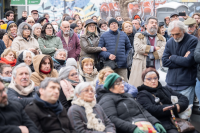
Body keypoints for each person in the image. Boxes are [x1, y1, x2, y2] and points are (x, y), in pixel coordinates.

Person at [97, 73, 166, 133]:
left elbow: (143, 111)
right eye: (118, 84)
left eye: (122, 82)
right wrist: (133, 128)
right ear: (110, 87)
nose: (122, 85)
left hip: (145, 125)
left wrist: (155, 122)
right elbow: (111, 118)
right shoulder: (106, 99)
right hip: (129, 129)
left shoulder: (128, 96)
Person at [136, 68, 198, 133]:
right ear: (144, 80)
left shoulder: (165, 89)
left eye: (155, 78)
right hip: (161, 122)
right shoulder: (142, 94)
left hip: (177, 121)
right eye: (149, 79)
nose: (153, 81)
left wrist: (178, 106)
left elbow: (183, 98)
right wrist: (174, 108)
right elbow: (151, 109)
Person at [162, 20, 198, 105]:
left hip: (186, 84)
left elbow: (188, 62)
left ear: (183, 30)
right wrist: (182, 60)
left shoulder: (193, 40)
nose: (174, 37)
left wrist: (172, 57)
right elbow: (164, 62)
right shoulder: (170, 42)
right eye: (172, 34)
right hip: (170, 84)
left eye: (177, 34)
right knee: (172, 114)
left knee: (185, 114)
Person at [129, 16, 166, 87]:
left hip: (156, 67)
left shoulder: (162, 38)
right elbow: (138, 48)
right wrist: (154, 48)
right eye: (152, 23)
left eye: (156, 23)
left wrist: (150, 55)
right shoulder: (138, 35)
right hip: (141, 67)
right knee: (139, 88)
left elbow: (163, 51)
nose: (154, 24)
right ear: (146, 25)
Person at [98, 18, 132, 82]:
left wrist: (125, 57)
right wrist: (108, 55)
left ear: (118, 25)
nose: (114, 25)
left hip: (122, 65)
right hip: (110, 65)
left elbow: (129, 48)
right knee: (110, 83)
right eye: (112, 24)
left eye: (115, 23)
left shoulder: (123, 35)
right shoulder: (104, 36)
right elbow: (100, 50)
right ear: (109, 26)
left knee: (124, 83)